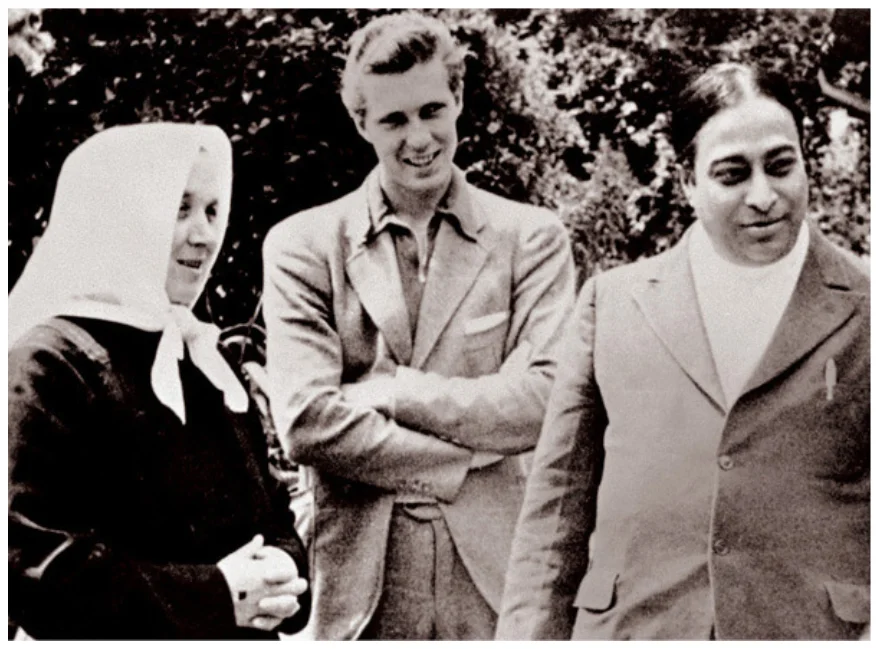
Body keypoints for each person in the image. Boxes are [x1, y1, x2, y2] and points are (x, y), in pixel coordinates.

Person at [496, 62, 869, 640]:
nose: (763, 196)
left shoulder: (867, 309)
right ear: (687, 181)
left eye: (780, 166)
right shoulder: (612, 305)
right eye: (731, 174)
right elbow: (554, 519)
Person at [262, 12, 576, 640]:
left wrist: (393, 392)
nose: (420, 138)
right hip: (356, 588)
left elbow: (545, 402)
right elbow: (305, 421)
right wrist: (468, 456)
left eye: (433, 110)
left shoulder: (532, 240)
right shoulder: (303, 245)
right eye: (393, 120)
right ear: (361, 124)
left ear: (459, 99)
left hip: (497, 581)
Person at [8, 123, 311, 640]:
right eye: (181, 207)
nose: (204, 234)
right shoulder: (49, 362)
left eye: (214, 210)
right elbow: (30, 564)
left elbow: (271, 509)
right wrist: (219, 594)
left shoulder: (203, 361)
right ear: (119, 215)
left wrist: (283, 571)